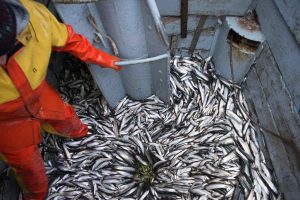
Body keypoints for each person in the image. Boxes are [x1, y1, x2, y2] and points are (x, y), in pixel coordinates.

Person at [0, 0, 122, 199]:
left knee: (68, 119)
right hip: (6, 122)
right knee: (29, 170)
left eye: (5, 49)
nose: (2, 61)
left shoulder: (35, 17)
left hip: (39, 94)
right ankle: (36, 196)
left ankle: (82, 139)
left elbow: (70, 40)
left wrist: (102, 58)